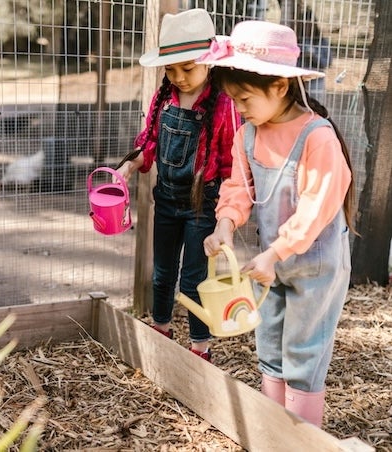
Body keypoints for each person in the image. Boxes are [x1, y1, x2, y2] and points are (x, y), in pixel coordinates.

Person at [200, 20, 356, 426]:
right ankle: (274, 429)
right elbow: (237, 187)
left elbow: (315, 209)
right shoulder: (248, 135)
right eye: (234, 101)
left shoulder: (317, 137)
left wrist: (276, 252)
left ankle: (302, 436)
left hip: (314, 265)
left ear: (281, 87)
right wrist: (225, 226)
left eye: (246, 98)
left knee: (304, 350)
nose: (240, 109)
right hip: (272, 264)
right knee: (268, 342)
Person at [116, 8, 240, 362]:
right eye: (171, 69)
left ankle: (200, 348)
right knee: (161, 274)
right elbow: (150, 144)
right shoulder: (165, 97)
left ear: (208, 63)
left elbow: (232, 164)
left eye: (188, 68)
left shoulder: (222, 104)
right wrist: (130, 164)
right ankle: (161, 329)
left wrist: (225, 218)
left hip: (204, 206)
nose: (179, 77)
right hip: (167, 200)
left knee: (194, 281)